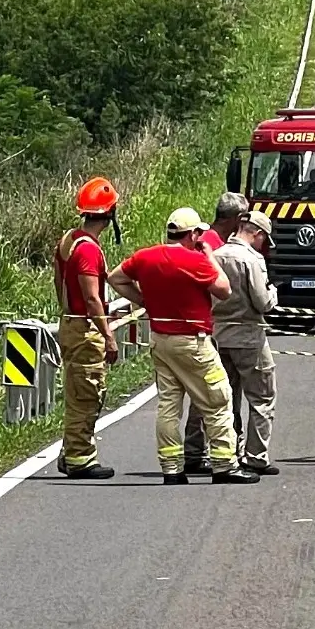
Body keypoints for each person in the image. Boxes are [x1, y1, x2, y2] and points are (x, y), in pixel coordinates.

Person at [108, 207, 260, 485]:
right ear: (192, 234)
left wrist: (145, 302)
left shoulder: (145, 257)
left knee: (168, 404)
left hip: (161, 340)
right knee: (218, 399)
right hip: (193, 341)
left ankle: (171, 468)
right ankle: (225, 465)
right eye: (198, 233)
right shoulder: (195, 262)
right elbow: (224, 290)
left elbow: (115, 277)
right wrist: (209, 255)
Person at [53, 177, 122, 480]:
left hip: (70, 323)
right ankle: (80, 458)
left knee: (76, 391)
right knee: (87, 393)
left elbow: (58, 280)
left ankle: (71, 451)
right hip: (85, 330)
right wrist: (108, 336)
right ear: (109, 214)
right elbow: (93, 298)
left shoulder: (69, 240)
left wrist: (67, 311)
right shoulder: (88, 251)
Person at [213, 210, 281, 475]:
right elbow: (262, 302)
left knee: (226, 398)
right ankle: (255, 456)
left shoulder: (216, 255)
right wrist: (273, 292)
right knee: (262, 397)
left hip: (219, 334)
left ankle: (225, 451)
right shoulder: (252, 259)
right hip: (249, 336)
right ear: (258, 233)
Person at [185, 192, 249, 471]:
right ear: (236, 218)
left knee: (216, 392)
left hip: (214, 325)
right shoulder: (210, 244)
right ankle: (198, 451)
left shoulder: (214, 241)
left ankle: (204, 449)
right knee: (210, 393)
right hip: (210, 327)